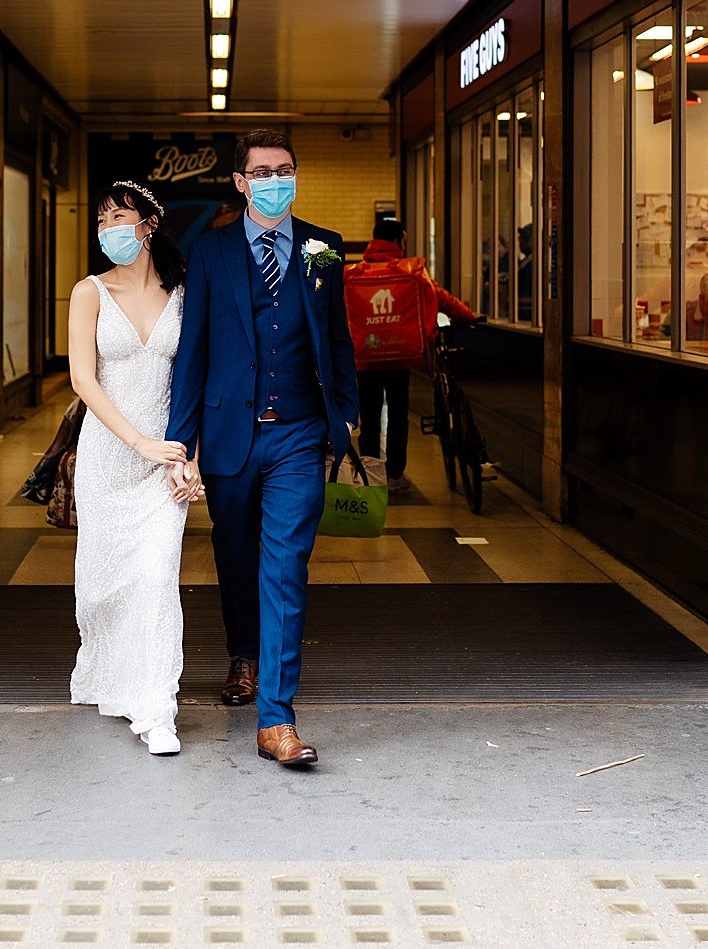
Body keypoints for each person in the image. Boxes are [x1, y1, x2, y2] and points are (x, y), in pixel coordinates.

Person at [167, 129, 360, 768]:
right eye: (264, 171)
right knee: (235, 554)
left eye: (286, 169)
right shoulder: (212, 252)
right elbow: (192, 350)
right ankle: (242, 654)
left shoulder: (323, 247)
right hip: (228, 434)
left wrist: (347, 415)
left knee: (285, 568)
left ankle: (276, 718)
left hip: (300, 434)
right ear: (242, 183)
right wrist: (181, 442)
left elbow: (337, 339)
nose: (276, 179)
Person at [65, 180, 201, 758]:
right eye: (101, 222)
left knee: (155, 577)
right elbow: (82, 379)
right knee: (106, 586)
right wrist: (139, 442)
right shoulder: (88, 292)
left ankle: (156, 708)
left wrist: (183, 453)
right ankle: (114, 676)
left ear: (148, 223)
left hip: (163, 462)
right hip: (109, 456)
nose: (108, 230)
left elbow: (195, 378)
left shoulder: (185, 292)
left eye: (118, 216)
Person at [343, 215, 479, 493]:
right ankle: (394, 475)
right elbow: (439, 296)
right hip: (400, 356)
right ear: (397, 241)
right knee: (397, 415)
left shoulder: (351, 274)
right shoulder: (413, 271)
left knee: (368, 417)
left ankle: (370, 475)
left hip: (365, 359)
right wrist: (468, 316)